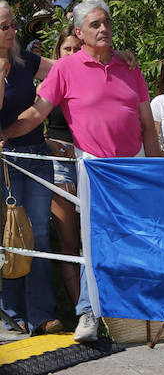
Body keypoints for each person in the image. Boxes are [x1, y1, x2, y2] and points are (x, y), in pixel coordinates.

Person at [1, 0, 163, 343]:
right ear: (79, 32)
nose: (103, 29)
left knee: (135, 240)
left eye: (106, 22)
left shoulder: (129, 66)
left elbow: (147, 123)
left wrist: (154, 169)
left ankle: (134, 314)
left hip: (133, 166)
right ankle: (88, 312)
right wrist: (5, 133)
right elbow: (37, 112)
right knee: (95, 243)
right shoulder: (65, 68)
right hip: (94, 169)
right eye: (95, 25)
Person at [0, 0, 60, 335]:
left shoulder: (26, 61)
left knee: (37, 233)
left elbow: (65, 69)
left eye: (12, 25)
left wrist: (115, 57)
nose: (11, 32)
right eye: (3, 27)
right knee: (10, 233)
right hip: (6, 161)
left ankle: (42, 313)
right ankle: (11, 310)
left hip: (35, 153)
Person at [44, 26, 82, 305]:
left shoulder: (98, 80)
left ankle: (105, 314)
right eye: (66, 49)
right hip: (60, 165)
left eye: (77, 49)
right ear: (57, 53)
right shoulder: (48, 84)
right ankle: (82, 310)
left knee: (95, 241)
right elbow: (32, 125)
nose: (72, 54)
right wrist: (50, 144)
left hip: (93, 164)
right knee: (69, 244)